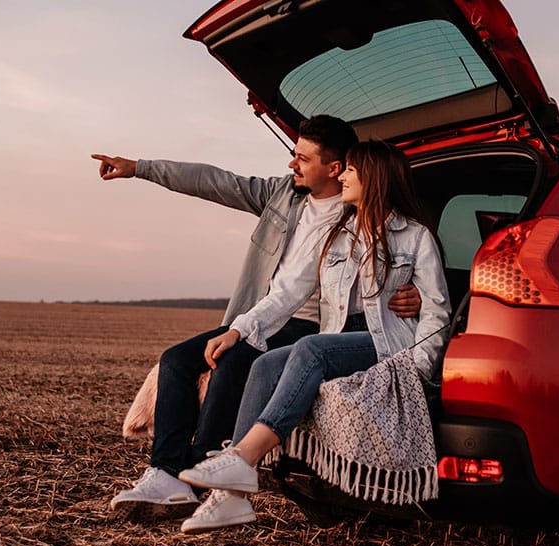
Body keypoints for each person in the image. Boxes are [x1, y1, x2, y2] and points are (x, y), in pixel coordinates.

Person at [91, 117, 423, 522]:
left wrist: (413, 293)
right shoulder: (283, 194)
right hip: (262, 314)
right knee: (176, 361)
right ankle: (165, 474)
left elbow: (397, 266)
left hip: (314, 326)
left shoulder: (356, 217)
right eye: (293, 155)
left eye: (302, 158)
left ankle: (199, 479)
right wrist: (140, 168)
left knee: (232, 365)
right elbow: (215, 181)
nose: (291, 165)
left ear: (335, 169)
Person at [176, 140, 452, 533]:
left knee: (310, 349)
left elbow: (437, 310)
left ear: (374, 177)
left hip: (388, 343)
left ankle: (244, 457)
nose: (342, 175)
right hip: (340, 338)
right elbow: (287, 291)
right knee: (267, 363)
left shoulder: (414, 236)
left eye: (351, 170)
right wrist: (240, 328)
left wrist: (415, 368)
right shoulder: (335, 233)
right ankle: (229, 499)